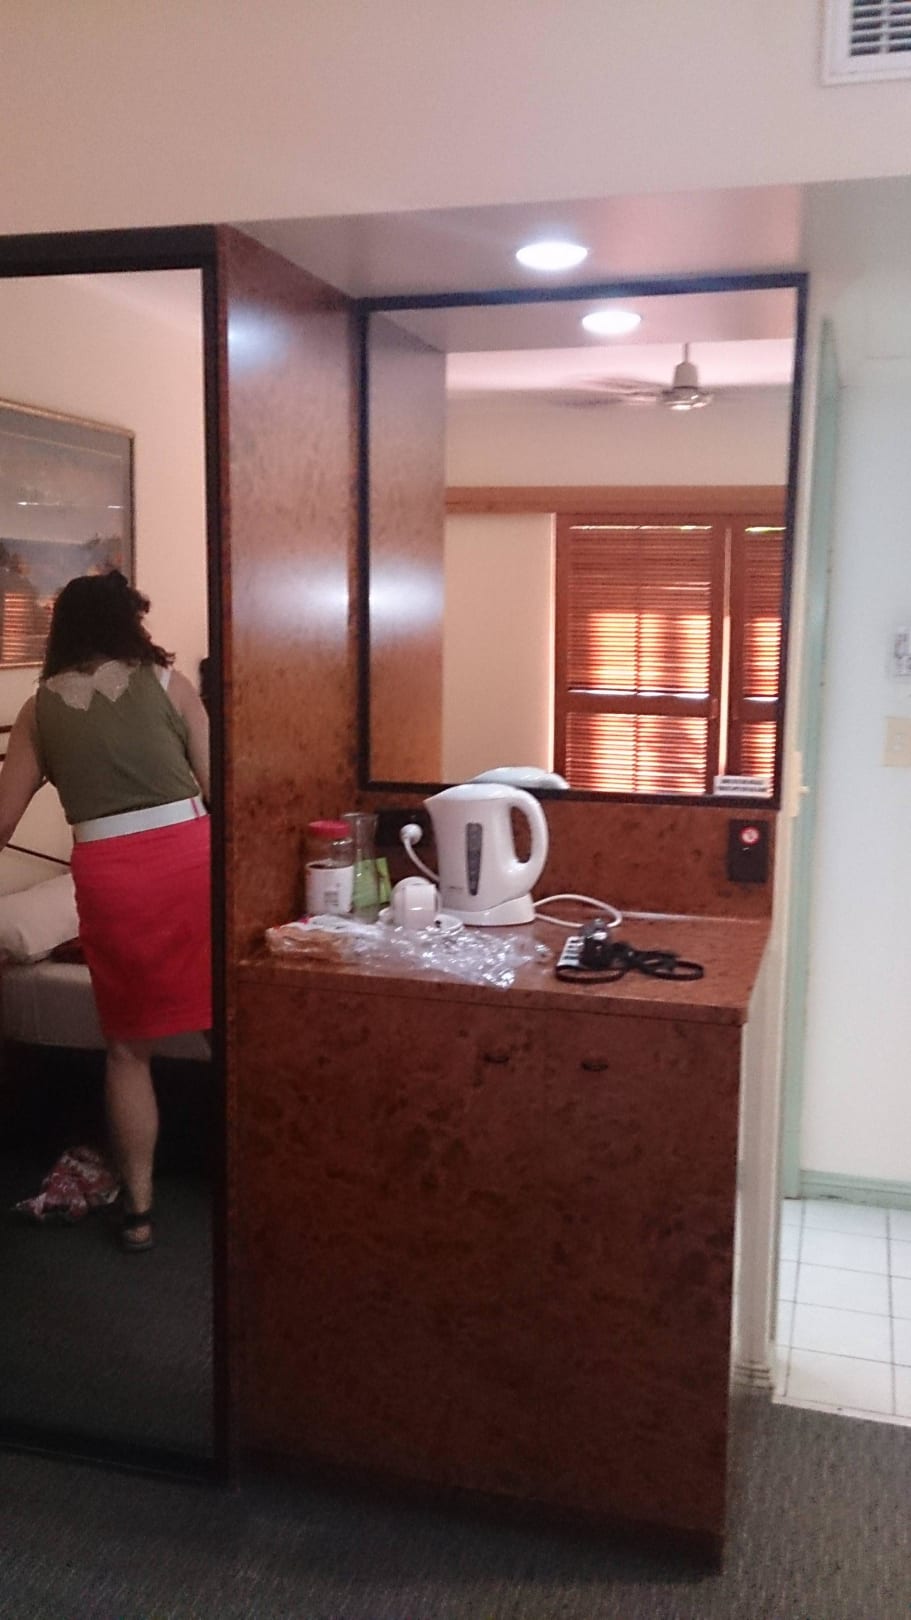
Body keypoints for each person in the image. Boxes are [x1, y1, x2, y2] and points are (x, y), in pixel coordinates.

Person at [0, 570, 211, 1252]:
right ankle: (253, 1177)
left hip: (112, 877)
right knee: (227, 1024)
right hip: (190, 862)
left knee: (126, 1049)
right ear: (130, 623)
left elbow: (1, 822)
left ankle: (140, 1211)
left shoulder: (38, 711)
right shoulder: (171, 686)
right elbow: (220, 786)